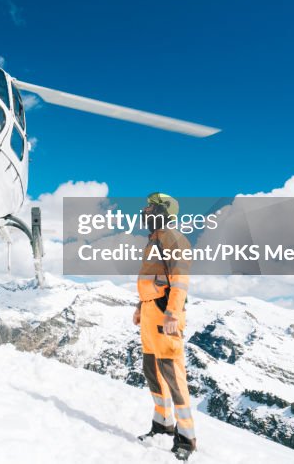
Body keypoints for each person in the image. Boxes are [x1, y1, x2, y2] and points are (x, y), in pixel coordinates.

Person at [133, 192, 196, 460]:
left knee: (171, 372)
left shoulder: (173, 239)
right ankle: (163, 424)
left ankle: (186, 437)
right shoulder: (154, 241)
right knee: (152, 369)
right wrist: (139, 306)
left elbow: (180, 280)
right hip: (150, 311)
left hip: (164, 314)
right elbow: (152, 279)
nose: (144, 211)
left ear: (162, 211)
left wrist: (171, 313)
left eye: (149, 207)